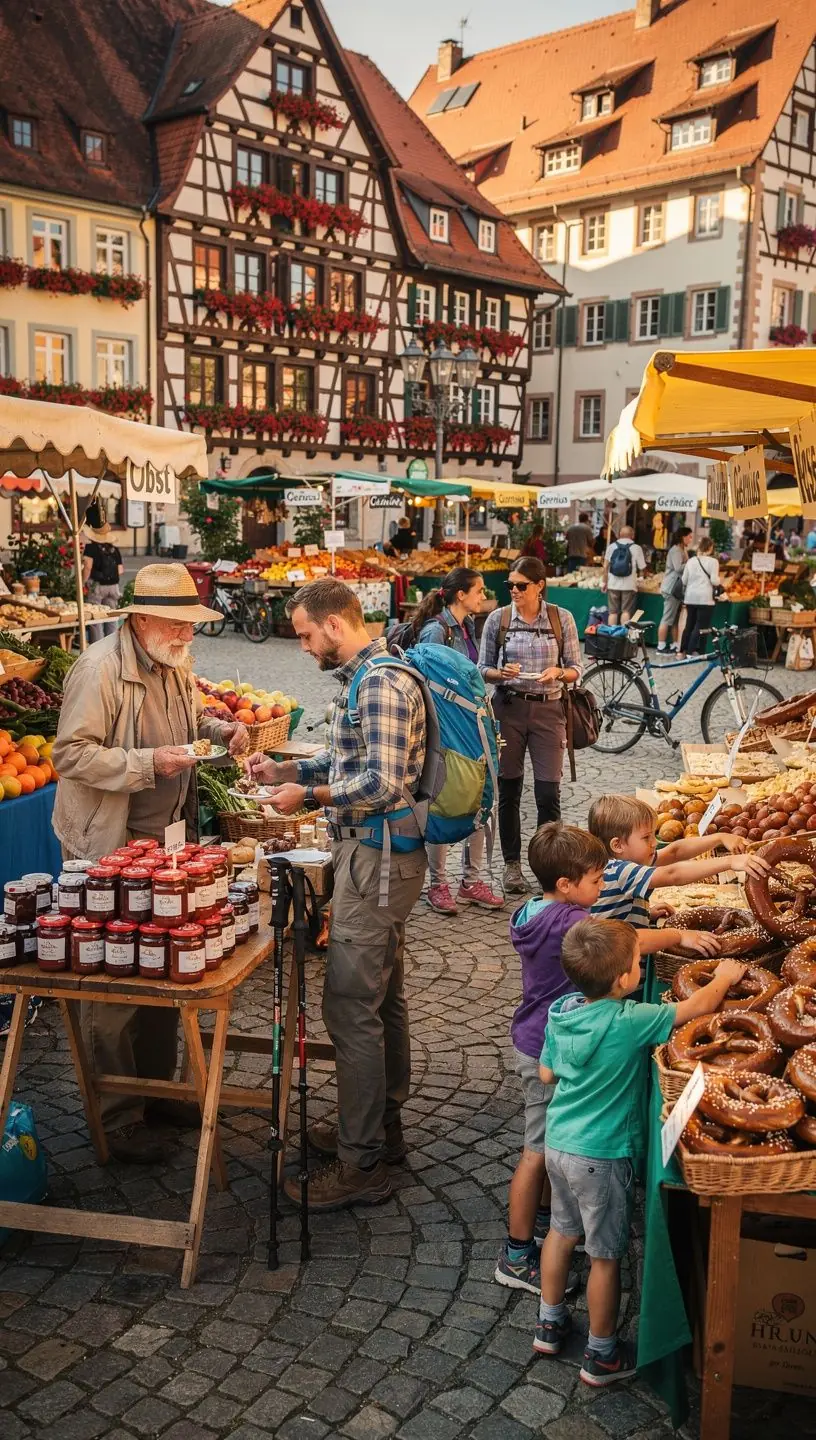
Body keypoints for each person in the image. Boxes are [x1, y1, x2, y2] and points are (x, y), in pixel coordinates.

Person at [51, 564, 249, 1163]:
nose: (187, 634)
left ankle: (160, 1090)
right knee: (115, 981)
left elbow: (188, 723)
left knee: (165, 966)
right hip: (109, 842)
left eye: (191, 624)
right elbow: (69, 754)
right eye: (176, 623)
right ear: (140, 619)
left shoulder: (171, 661)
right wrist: (146, 763)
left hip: (164, 841)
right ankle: (118, 1113)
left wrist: (222, 728)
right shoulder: (99, 669)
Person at [246, 578, 428, 1211]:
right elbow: (350, 759)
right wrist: (289, 771)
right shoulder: (374, 674)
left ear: (333, 624)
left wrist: (310, 797)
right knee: (383, 998)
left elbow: (379, 783)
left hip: (376, 860)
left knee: (351, 1005)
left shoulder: (378, 682)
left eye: (303, 635)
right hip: (378, 858)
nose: (301, 647)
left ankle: (362, 1164)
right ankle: (380, 1128)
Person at [535, 917, 748, 1383]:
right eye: (637, 961)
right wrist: (728, 977)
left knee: (561, 1233)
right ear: (625, 979)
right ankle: (602, 1352)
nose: (639, 965)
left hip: (558, 1145)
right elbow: (694, 1008)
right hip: (603, 1154)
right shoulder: (631, 1020)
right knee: (605, 1255)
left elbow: (547, 1076)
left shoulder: (562, 1012)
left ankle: (549, 1324)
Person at [495, 823, 607, 1294]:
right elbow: (624, 944)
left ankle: (545, 1221)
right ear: (566, 885)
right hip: (545, 1046)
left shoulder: (532, 910)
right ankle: (516, 1255)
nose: (602, 887)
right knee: (535, 1152)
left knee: (549, 1138)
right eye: (597, 881)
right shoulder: (568, 924)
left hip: (533, 1036)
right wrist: (675, 940)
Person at [479, 556, 582, 896]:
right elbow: (481, 668)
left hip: (549, 710)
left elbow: (576, 668)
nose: (514, 591)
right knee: (508, 790)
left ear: (540, 586)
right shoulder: (499, 618)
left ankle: (547, 866)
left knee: (547, 793)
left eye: (521, 585)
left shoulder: (560, 618)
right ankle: (511, 865)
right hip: (508, 708)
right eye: (510, 585)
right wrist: (500, 673)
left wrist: (558, 673)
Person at [415, 567, 503, 913]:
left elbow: (466, 675)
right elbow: (428, 681)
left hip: (471, 729)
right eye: (479, 590)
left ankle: (472, 881)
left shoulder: (466, 626)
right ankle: (438, 885)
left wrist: (492, 675)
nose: (484, 595)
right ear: (460, 595)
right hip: (446, 732)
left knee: (479, 798)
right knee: (445, 801)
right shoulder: (435, 632)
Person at [588, 794, 770, 945]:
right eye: (646, 838)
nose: (655, 842)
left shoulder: (625, 861)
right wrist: (729, 861)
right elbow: (673, 874)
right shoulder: (619, 870)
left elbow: (675, 851)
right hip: (620, 972)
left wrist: (719, 838)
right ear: (617, 845)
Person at [82, 519, 123, 640]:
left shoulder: (91, 548)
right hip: (113, 587)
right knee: (111, 617)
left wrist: (82, 582)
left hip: (97, 586)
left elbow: (87, 567)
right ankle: (112, 645)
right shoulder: (114, 549)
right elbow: (120, 570)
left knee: (96, 618)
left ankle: (97, 647)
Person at [679, 535, 719, 657]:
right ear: (710, 548)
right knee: (700, 625)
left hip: (690, 597)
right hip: (705, 598)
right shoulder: (713, 562)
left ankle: (683, 650)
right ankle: (692, 651)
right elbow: (714, 581)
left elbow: (684, 580)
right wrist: (719, 580)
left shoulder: (691, 561)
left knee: (689, 624)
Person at [657, 526, 692, 653]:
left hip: (676, 589)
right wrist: (692, 563)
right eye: (689, 536)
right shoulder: (676, 550)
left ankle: (675, 644)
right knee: (667, 618)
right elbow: (678, 568)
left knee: (675, 619)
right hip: (671, 588)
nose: (691, 538)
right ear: (683, 537)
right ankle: (660, 646)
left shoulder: (683, 549)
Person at [603, 525, 645, 625]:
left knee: (612, 612)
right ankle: (623, 635)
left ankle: (612, 636)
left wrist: (604, 582)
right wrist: (641, 577)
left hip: (613, 584)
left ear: (619, 535)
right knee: (626, 611)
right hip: (629, 585)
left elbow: (605, 567)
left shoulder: (611, 547)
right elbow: (642, 567)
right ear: (632, 535)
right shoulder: (637, 548)